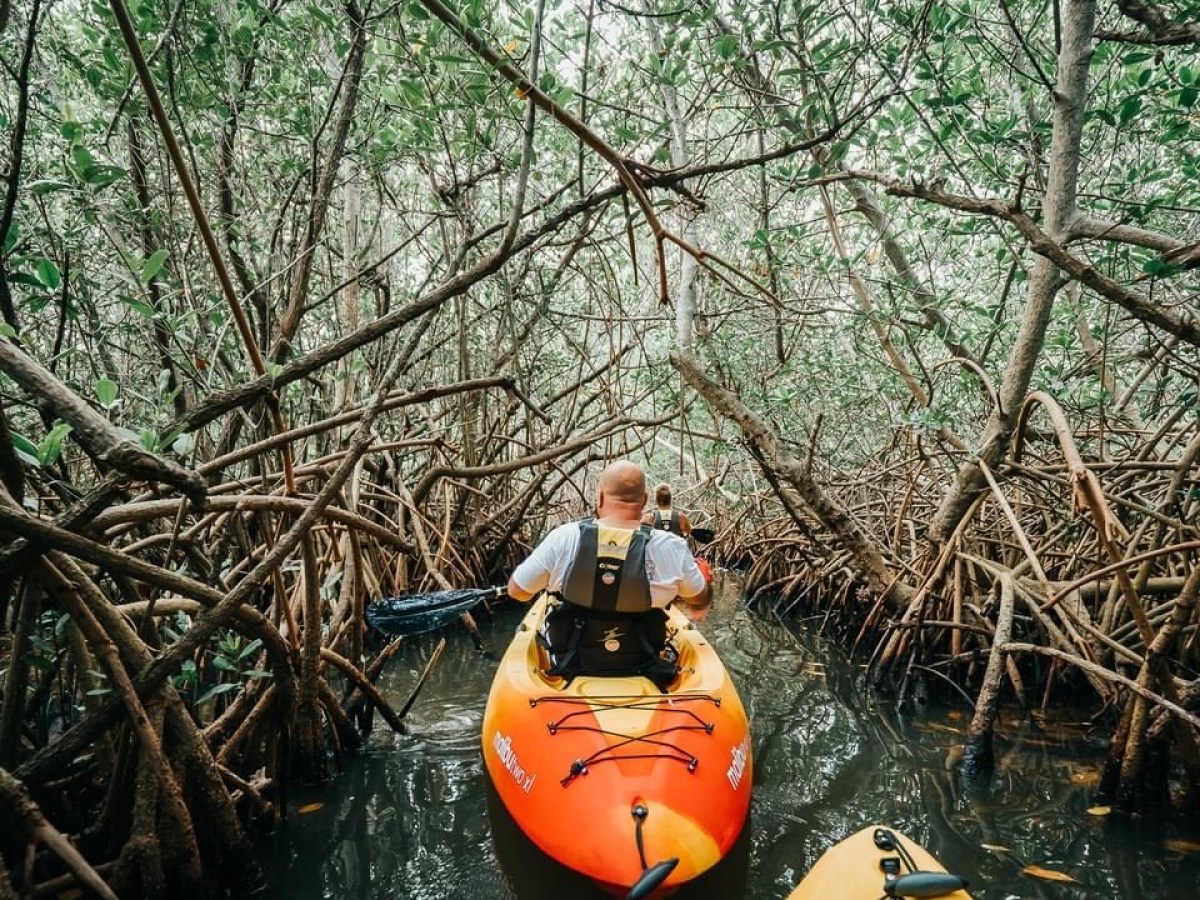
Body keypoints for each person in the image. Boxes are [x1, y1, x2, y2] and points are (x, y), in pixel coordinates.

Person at [506, 461, 710, 683]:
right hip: (643, 665)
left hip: (570, 665)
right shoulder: (673, 546)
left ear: (600, 497)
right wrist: (697, 582)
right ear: (644, 501)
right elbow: (699, 599)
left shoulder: (563, 537)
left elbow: (518, 592)